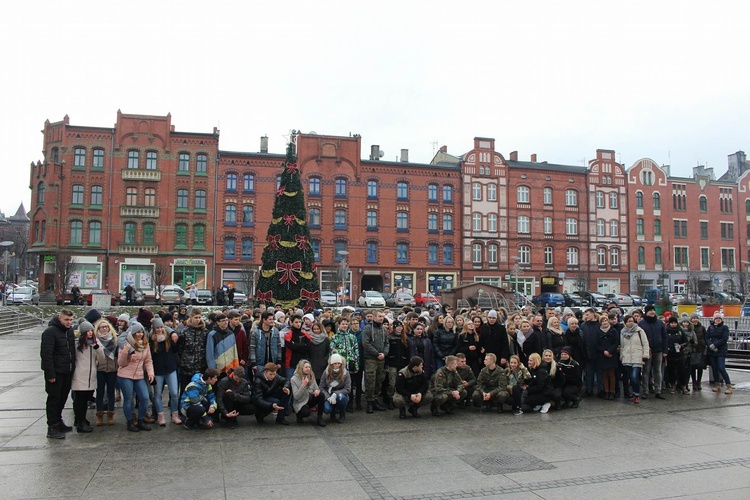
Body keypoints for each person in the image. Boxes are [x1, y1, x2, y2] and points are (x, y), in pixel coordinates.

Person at [41, 309, 76, 439]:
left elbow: (71, 351)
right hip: (55, 372)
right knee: (54, 400)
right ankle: (52, 426)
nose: (69, 322)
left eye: (71, 320)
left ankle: (58, 421)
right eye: (66, 320)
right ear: (60, 319)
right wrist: (50, 374)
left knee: (62, 398)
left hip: (67, 370)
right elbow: (46, 355)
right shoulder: (50, 332)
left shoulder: (69, 332)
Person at [117, 322, 155, 432]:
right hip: (125, 375)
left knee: (145, 398)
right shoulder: (126, 343)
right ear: (133, 333)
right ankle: (129, 422)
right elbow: (121, 363)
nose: (140, 334)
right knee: (128, 399)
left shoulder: (145, 344)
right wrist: (126, 352)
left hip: (139, 375)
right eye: (138, 332)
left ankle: (141, 420)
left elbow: (148, 361)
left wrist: (150, 373)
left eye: (141, 332)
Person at [71, 321, 104, 433]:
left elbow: (102, 358)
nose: (90, 333)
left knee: (86, 399)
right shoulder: (76, 343)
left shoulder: (95, 342)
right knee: (79, 400)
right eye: (87, 331)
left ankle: (82, 419)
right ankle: (79, 421)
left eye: (91, 331)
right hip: (80, 374)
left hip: (91, 375)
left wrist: (96, 347)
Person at [150, 317, 181, 425]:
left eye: (161, 327)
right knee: (157, 394)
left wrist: (173, 335)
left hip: (170, 369)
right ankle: (160, 415)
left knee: (174, 393)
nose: (159, 330)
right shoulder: (151, 340)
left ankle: (175, 414)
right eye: (157, 328)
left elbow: (176, 349)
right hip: (158, 371)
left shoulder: (168, 338)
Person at [176, 307, 208, 397]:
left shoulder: (205, 332)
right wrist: (182, 362)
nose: (198, 320)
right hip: (186, 368)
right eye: (196, 317)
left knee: (200, 392)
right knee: (184, 391)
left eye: (199, 317)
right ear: (191, 317)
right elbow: (180, 349)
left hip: (200, 367)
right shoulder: (184, 332)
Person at [331, 316, 360, 412]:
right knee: (339, 384)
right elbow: (332, 352)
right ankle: (337, 405)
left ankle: (350, 404)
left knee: (349, 385)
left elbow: (356, 351)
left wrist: (356, 365)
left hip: (350, 365)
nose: (345, 326)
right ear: (339, 325)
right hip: (339, 366)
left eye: (346, 324)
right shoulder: (335, 337)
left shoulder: (352, 337)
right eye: (343, 324)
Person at [362, 310, 389, 413]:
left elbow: (387, 343)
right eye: (379, 316)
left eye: (382, 316)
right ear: (374, 317)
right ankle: (369, 401)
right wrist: (377, 353)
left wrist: (384, 353)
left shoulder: (383, 329)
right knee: (370, 380)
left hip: (381, 359)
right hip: (371, 359)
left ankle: (376, 399)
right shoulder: (368, 328)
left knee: (379, 380)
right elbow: (366, 343)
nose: (381, 318)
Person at [619, 315, 649, 404]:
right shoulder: (622, 332)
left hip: (637, 356)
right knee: (630, 378)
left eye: (632, 321)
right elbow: (622, 345)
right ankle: (634, 393)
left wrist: (645, 354)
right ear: (625, 322)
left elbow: (645, 343)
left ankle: (637, 394)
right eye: (628, 321)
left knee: (635, 376)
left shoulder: (639, 331)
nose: (630, 322)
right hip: (627, 357)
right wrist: (621, 356)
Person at [93, 318, 118, 426]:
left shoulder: (114, 339)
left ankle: (110, 414)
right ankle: (99, 414)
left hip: (112, 369)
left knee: (111, 392)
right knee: (100, 392)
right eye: (102, 327)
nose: (104, 329)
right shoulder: (95, 340)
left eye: (106, 327)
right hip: (100, 369)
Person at [639, 305, 667, 400]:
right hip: (647, 351)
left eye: (653, 310)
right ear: (646, 312)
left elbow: (664, 337)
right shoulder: (641, 324)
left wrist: (665, 350)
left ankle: (658, 391)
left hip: (658, 350)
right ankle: (645, 391)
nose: (652, 312)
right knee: (646, 371)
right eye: (650, 310)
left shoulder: (659, 323)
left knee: (658, 371)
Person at [290, 359, 326, 427]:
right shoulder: (294, 379)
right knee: (306, 413)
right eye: (306, 367)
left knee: (321, 395)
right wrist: (303, 385)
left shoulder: (311, 376)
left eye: (309, 367)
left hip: (310, 398)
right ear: (301, 368)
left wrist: (316, 391)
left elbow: (316, 388)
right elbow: (296, 396)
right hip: (300, 402)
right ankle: (299, 415)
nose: (308, 369)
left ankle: (320, 418)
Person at [319, 353, 352, 423]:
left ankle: (342, 414)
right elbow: (321, 387)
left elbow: (348, 389)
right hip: (328, 394)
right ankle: (332, 412)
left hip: (341, 395)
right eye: (335, 363)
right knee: (326, 409)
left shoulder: (346, 373)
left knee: (341, 398)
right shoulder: (326, 372)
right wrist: (328, 397)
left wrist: (335, 394)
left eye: (338, 363)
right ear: (331, 364)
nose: (337, 365)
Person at [705, 312, 732, 394]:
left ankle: (728, 385)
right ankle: (717, 384)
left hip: (721, 350)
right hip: (712, 350)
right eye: (716, 319)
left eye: (719, 319)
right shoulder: (710, 327)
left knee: (721, 367)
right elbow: (707, 337)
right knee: (714, 368)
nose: (718, 320)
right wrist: (710, 344)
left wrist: (715, 344)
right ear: (714, 320)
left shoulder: (725, 328)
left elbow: (724, 339)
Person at [385, 320, 409, 410]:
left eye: (401, 326)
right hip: (392, 363)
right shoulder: (389, 337)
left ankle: (399, 399)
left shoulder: (405, 338)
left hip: (402, 363)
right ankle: (390, 399)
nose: (399, 328)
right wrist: (386, 364)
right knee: (392, 383)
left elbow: (407, 352)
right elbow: (387, 351)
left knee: (401, 382)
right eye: (397, 326)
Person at [206, 313, 239, 377]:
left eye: (226, 320)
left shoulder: (231, 333)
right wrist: (212, 369)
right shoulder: (212, 335)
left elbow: (234, 351)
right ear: (218, 323)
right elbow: (209, 353)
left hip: (230, 368)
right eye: (223, 321)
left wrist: (236, 366)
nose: (226, 322)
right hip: (218, 368)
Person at [250, 311, 283, 376]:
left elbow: (279, 346)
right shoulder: (255, 332)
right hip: (260, 363)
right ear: (264, 320)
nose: (272, 321)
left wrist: (279, 361)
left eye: (273, 319)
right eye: (270, 319)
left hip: (273, 362)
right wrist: (253, 362)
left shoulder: (275, 331)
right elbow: (252, 348)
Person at [596, 314, 619, 400]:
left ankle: (612, 391)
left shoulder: (613, 330)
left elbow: (616, 342)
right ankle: (606, 391)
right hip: (602, 355)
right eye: (602, 321)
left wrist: (609, 351)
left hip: (612, 354)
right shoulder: (598, 331)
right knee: (604, 374)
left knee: (611, 373)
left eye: (606, 320)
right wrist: (604, 351)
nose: (604, 322)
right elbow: (596, 344)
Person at [665, 316, 688, 394]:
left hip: (680, 354)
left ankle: (683, 386)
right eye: (672, 323)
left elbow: (686, 341)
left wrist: (681, 346)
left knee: (682, 371)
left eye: (675, 323)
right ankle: (673, 385)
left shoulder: (680, 331)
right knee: (671, 371)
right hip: (670, 354)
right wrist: (666, 348)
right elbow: (663, 340)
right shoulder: (666, 331)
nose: (673, 324)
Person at [283, 314, 310, 379]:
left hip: (303, 363)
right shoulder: (288, 334)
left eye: (300, 322)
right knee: (290, 383)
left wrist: (296, 345)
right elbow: (292, 346)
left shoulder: (305, 334)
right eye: (296, 322)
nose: (298, 324)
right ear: (291, 323)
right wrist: (303, 345)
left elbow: (309, 347)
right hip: (291, 364)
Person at [689, 313, 707, 391]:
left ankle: (699, 381)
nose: (695, 319)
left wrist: (704, 345)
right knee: (693, 367)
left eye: (696, 318)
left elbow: (705, 337)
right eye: (693, 318)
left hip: (700, 349)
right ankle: (694, 382)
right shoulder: (690, 328)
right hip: (693, 349)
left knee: (700, 367)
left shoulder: (702, 328)